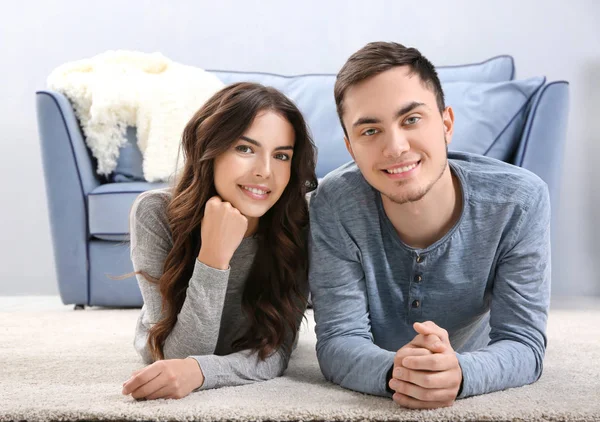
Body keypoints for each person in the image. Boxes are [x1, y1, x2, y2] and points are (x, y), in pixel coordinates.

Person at [309, 42, 551, 409]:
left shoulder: (520, 201)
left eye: (411, 119)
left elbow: (523, 343)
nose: (396, 147)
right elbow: (338, 338)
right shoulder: (334, 202)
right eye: (370, 131)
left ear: (446, 124)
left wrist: (461, 374)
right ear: (350, 148)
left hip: (472, 354)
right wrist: (399, 372)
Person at [121, 82, 317, 400]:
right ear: (209, 148)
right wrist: (213, 257)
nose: (265, 171)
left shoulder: (301, 221)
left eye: (281, 156)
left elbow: (275, 353)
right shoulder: (155, 212)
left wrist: (201, 372)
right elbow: (173, 359)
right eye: (245, 149)